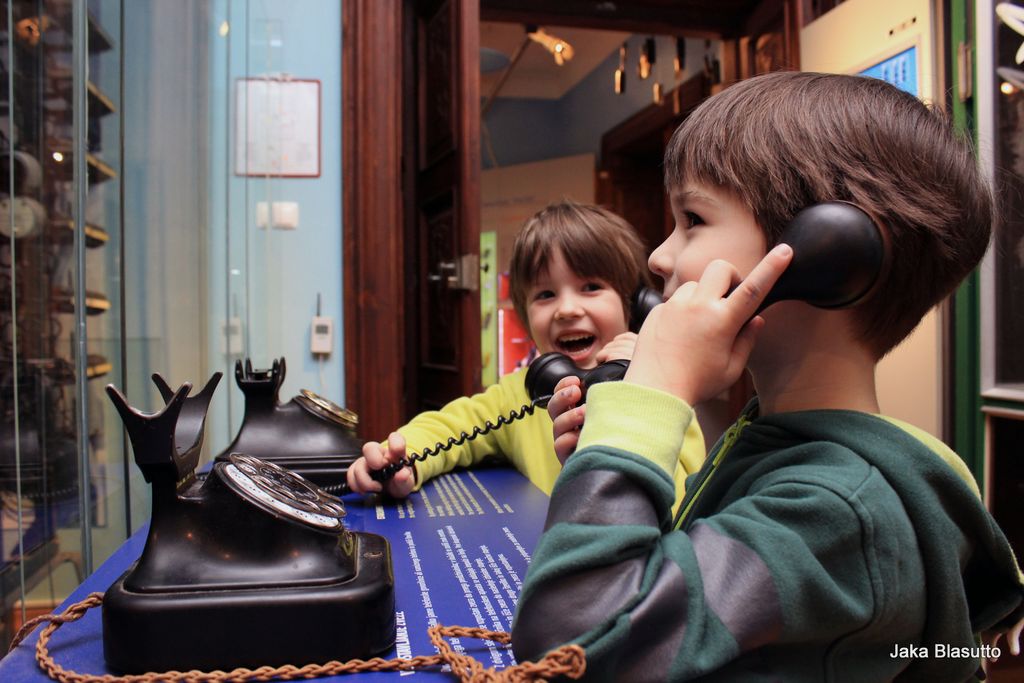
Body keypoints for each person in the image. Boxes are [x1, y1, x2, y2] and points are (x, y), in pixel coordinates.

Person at [512, 71, 1024, 681]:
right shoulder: (780, 440)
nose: (658, 256)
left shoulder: (837, 511)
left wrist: (651, 396)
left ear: (830, 254)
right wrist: (607, 473)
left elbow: (570, 645)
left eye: (692, 219)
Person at [346, 200, 705, 504]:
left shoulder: (666, 395)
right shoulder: (519, 393)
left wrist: (639, 391)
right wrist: (400, 456)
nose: (567, 310)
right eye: (545, 295)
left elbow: (684, 507)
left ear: (635, 306)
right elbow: (450, 426)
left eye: (591, 287)